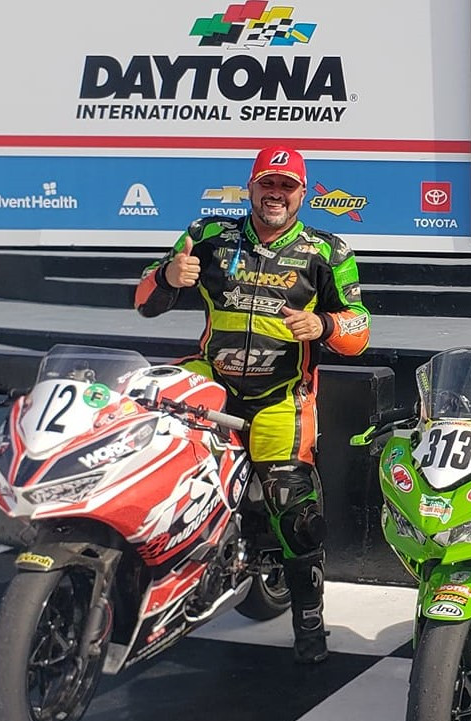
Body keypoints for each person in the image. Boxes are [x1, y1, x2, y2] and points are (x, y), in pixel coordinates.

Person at [134, 145, 370, 664]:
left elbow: (360, 329)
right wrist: (168, 280)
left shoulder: (327, 251)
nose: (276, 194)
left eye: (287, 186)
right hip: (211, 382)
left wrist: (326, 325)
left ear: (302, 194)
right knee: (151, 453)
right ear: (251, 186)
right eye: (268, 183)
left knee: (293, 502)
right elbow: (143, 300)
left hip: (282, 394)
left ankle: (310, 622)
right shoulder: (208, 234)